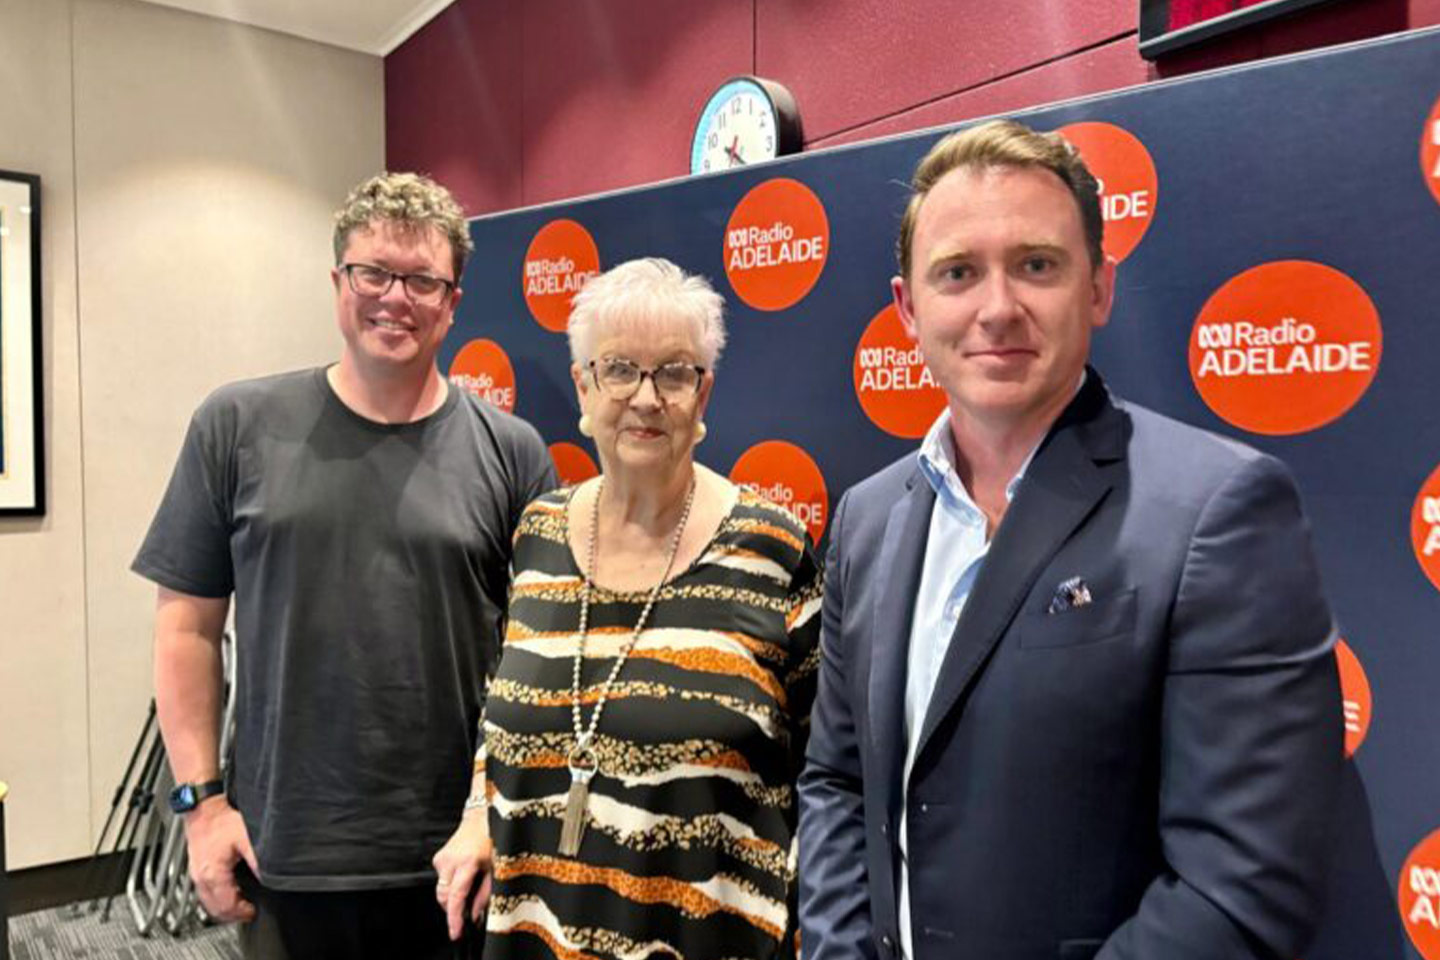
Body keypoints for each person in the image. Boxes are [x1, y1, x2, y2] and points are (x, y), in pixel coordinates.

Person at [798, 120, 1342, 960]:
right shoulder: (868, 519)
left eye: (1037, 265)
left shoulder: (1217, 509)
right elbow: (837, 782)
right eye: (957, 273)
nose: (997, 307)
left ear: (1098, 289)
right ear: (908, 309)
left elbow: (1243, 885)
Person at [133, 172, 555, 959]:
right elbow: (186, 630)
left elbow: (539, 658)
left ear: (453, 300)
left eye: (422, 279)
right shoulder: (237, 425)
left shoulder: (513, 451)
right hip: (286, 848)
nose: (395, 297)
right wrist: (201, 808)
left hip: (456, 859)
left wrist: (493, 815)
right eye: (374, 273)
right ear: (338, 281)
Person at [431, 257, 823, 960]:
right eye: (619, 369)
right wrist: (474, 815)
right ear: (583, 386)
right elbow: (507, 706)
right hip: (535, 936)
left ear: (704, 394)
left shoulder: (771, 548)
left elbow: (825, 764)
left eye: (674, 372)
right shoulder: (540, 532)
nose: (646, 397)